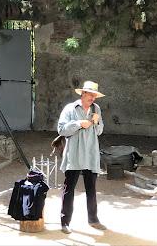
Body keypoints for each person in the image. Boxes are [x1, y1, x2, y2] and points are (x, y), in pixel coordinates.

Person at [57, 80, 107, 234]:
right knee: (69, 189)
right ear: (83, 93)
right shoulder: (70, 109)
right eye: (90, 94)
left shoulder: (96, 108)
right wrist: (79, 123)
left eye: (94, 95)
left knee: (91, 190)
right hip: (74, 155)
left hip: (91, 155)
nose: (92, 98)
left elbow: (99, 131)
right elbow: (61, 130)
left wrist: (97, 123)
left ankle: (93, 219)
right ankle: (65, 222)